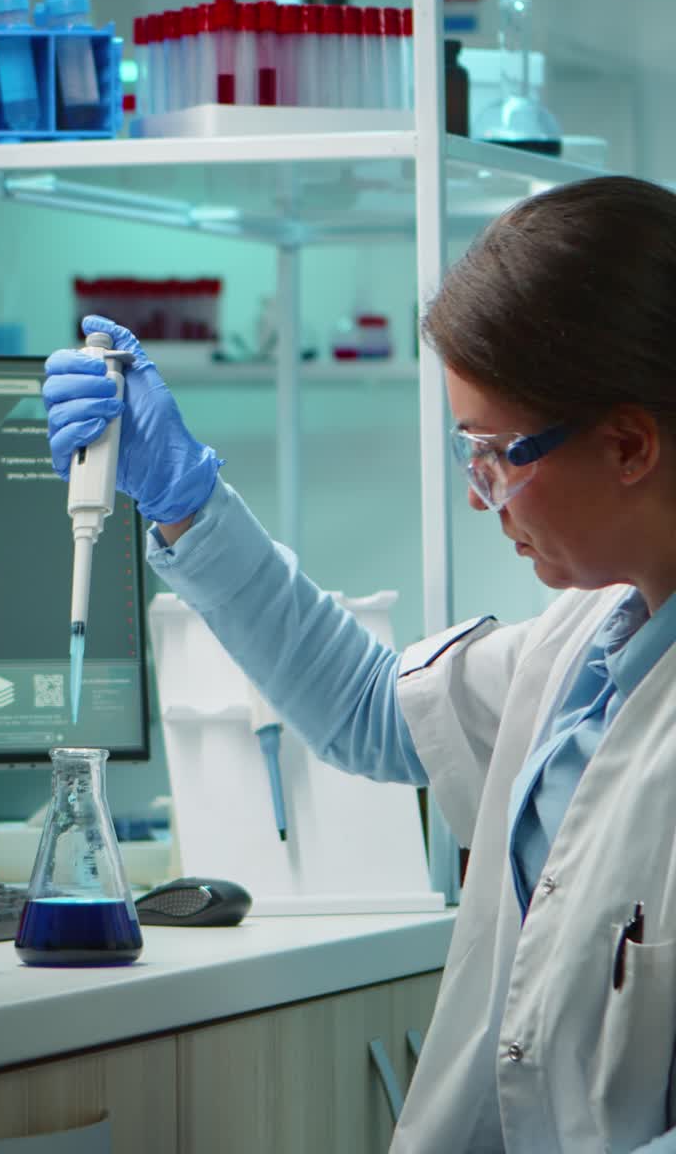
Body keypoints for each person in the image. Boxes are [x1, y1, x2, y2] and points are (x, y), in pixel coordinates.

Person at [43, 174, 676, 1154]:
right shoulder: (586, 640)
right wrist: (184, 498)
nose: (481, 495)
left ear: (630, 442)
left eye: (499, 452)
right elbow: (375, 710)